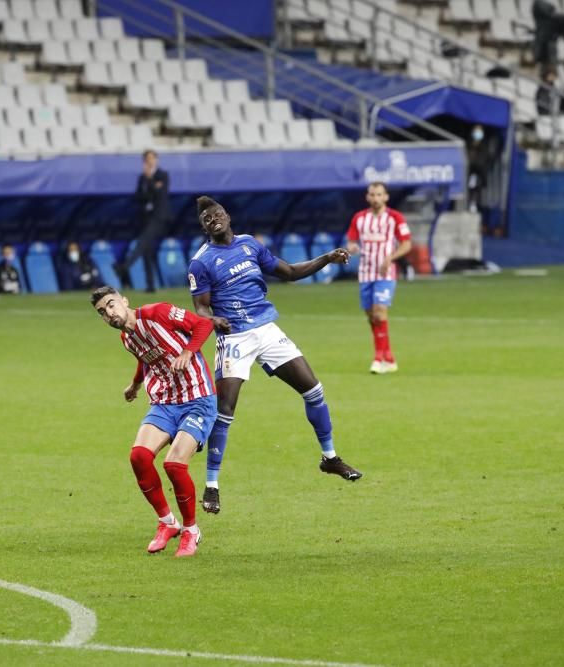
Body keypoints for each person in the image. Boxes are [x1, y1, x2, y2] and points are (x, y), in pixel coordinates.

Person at [187, 196, 362, 515]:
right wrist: (212, 320)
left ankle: (330, 458)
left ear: (227, 216)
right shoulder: (201, 261)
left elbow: (291, 272)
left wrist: (326, 258)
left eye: (217, 215)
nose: (213, 220)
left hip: (266, 328)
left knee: (314, 390)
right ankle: (212, 486)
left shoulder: (249, 245)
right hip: (235, 336)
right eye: (206, 219)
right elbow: (200, 307)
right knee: (224, 410)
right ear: (203, 227)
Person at [91, 285, 217, 557]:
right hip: (164, 402)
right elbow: (145, 357)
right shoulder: (126, 338)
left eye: (111, 304)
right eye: (102, 312)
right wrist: (135, 385)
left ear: (124, 301)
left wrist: (187, 353)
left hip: (198, 398)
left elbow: (203, 324)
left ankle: (191, 531)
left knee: (174, 464)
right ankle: (167, 523)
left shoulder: (157, 313)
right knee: (138, 457)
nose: (109, 313)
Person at [345, 182, 413, 375]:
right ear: (368, 197)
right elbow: (351, 241)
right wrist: (353, 248)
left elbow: (406, 244)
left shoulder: (395, 218)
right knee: (371, 317)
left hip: (386, 273)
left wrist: (390, 257)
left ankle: (378, 358)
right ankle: (389, 357)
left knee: (379, 311)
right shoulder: (359, 218)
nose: (375, 198)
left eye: (379, 194)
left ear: (386, 197)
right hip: (366, 272)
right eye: (372, 194)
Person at [115, 150, 169, 293]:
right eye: (147, 159)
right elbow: (139, 196)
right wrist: (149, 186)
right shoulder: (142, 178)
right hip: (145, 217)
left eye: (152, 158)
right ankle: (150, 285)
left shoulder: (162, 175)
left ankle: (124, 267)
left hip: (158, 217)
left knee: (142, 242)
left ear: (156, 160)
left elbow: (160, 195)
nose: (149, 161)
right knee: (146, 250)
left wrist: (150, 180)